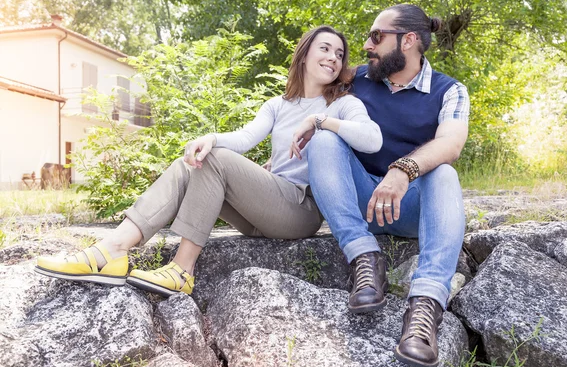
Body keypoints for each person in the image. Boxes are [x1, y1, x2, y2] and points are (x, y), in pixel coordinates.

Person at [35, 25, 383, 298]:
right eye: (325, 49)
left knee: (214, 160)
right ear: (305, 55)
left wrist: (320, 121)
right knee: (193, 161)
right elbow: (246, 139)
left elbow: (372, 139)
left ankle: (182, 269)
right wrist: (211, 139)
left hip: (299, 211)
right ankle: (112, 248)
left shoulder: (343, 104)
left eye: (339, 54)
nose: (333, 58)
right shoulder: (279, 104)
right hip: (261, 212)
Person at [299, 5, 470, 367]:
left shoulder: (450, 90)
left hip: (410, 208)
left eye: (376, 36)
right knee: (325, 140)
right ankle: (364, 257)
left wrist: (403, 171)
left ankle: (425, 307)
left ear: (407, 41)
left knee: (444, 174)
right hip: (359, 200)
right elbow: (303, 98)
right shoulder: (355, 79)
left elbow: (451, 144)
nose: (366, 45)